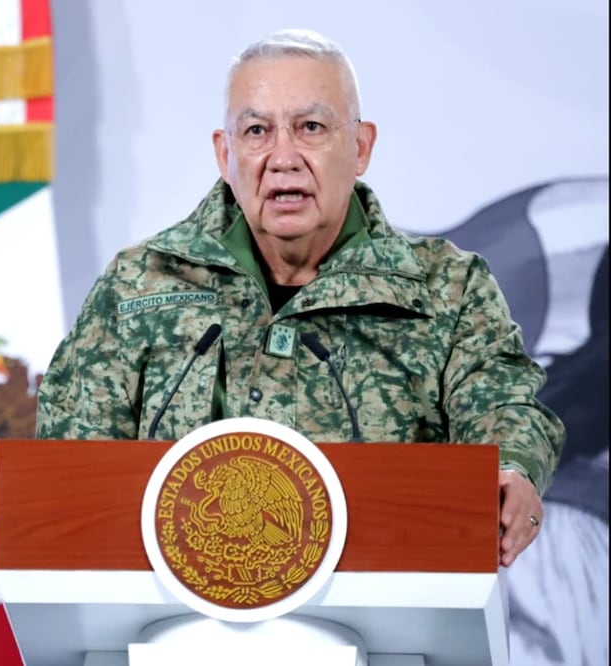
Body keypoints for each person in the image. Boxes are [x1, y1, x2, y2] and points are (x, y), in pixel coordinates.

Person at [35, 29, 564, 568]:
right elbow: (67, 468)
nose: (282, 157)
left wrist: (513, 469)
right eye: (257, 131)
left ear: (360, 146)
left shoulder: (447, 289)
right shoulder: (139, 284)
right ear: (225, 153)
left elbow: (505, 410)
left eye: (310, 128)